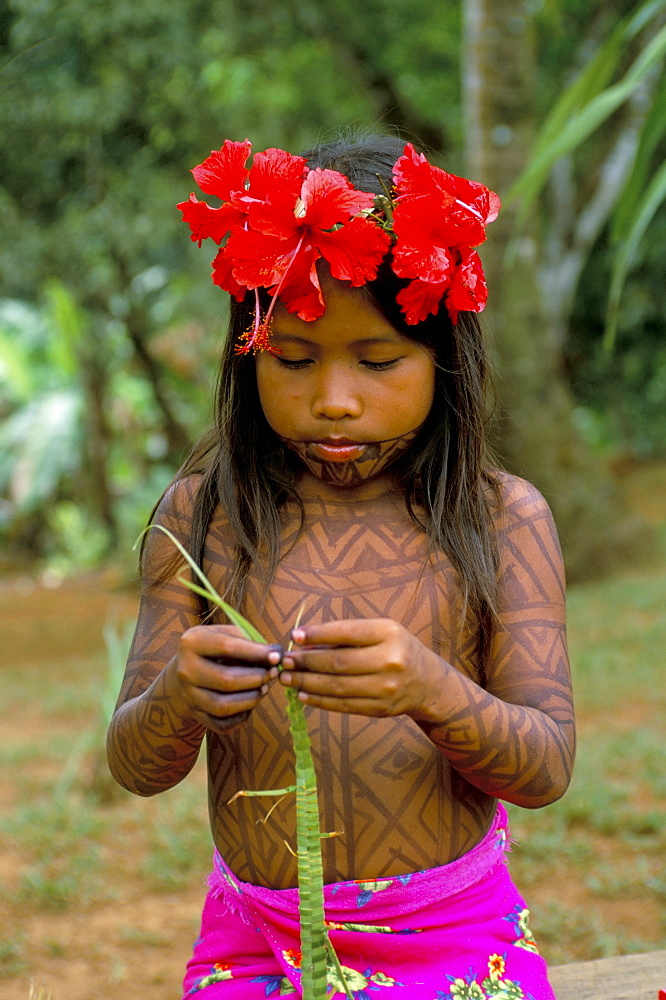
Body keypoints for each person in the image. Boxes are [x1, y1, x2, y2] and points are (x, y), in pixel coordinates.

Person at [107, 133, 575, 1000]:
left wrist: (434, 690)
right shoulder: (203, 518)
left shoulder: (501, 517)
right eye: (293, 359)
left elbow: (546, 768)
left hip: (453, 935)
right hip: (256, 939)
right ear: (249, 353)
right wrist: (178, 694)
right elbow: (137, 766)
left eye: (379, 361)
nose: (334, 398)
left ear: (446, 358)